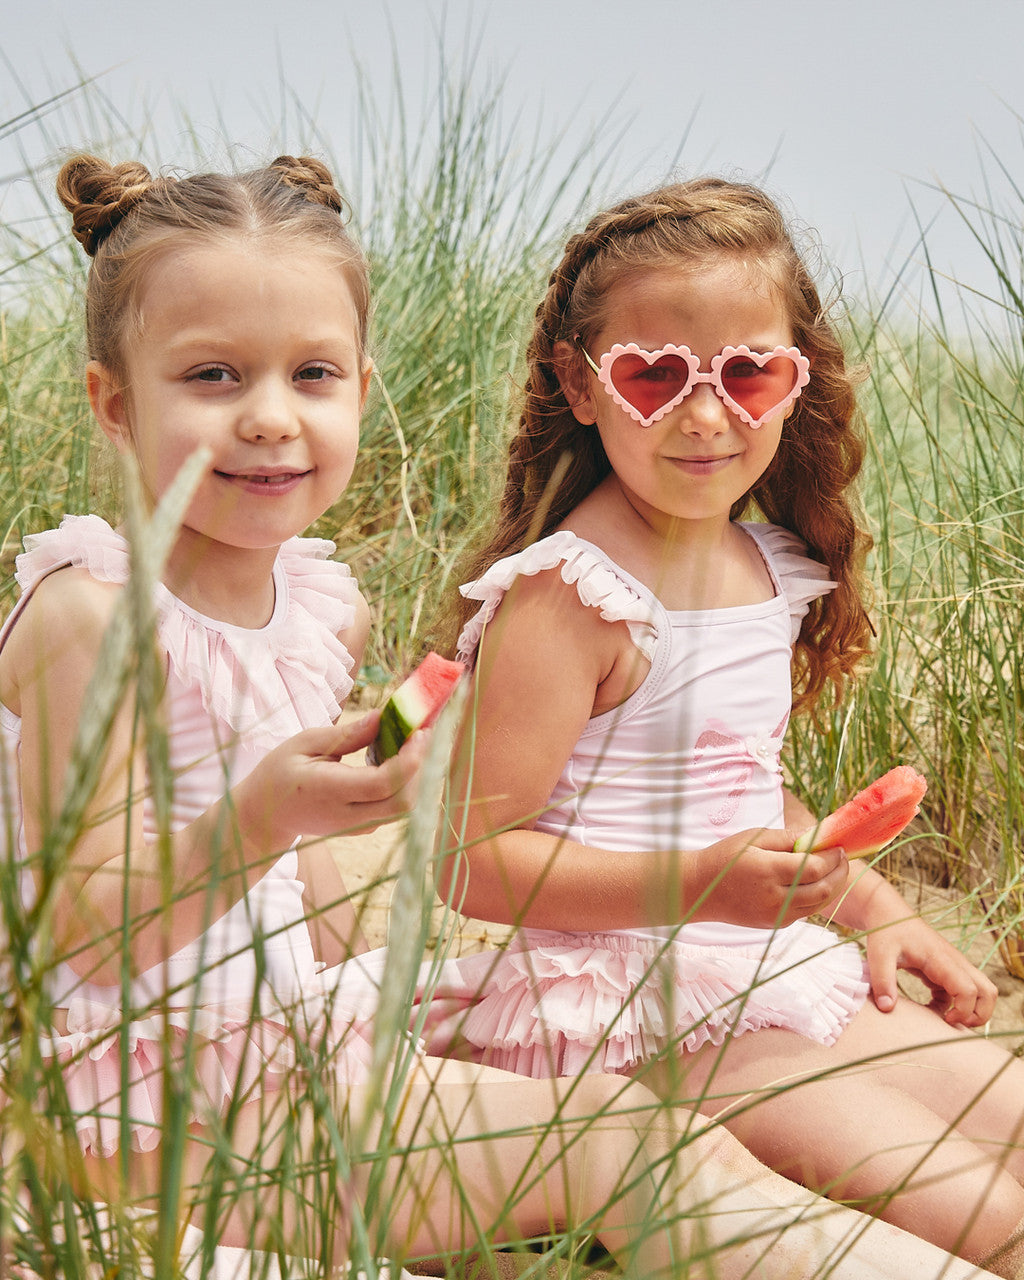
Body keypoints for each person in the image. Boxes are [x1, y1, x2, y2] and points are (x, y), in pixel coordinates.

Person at [0, 153, 989, 1280]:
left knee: (638, 1142)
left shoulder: (320, 604)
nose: (271, 417)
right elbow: (80, 930)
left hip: (287, 1059)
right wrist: (270, 815)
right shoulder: (86, 613)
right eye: (214, 376)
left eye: (311, 374)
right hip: (140, 1117)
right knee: (627, 1145)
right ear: (115, 404)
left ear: (361, 391)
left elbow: (298, 901)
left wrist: (350, 831)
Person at [429, 176, 1024, 1277]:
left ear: (796, 377)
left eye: (749, 372)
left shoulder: (766, 564)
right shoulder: (570, 595)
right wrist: (698, 885)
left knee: (1011, 1130)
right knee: (984, 1217)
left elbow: (740, 791)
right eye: (654, 376)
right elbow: (465, 860)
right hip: (618, 1016)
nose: (706, 416)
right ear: (581, 380)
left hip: (764, 967)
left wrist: (875, 904)